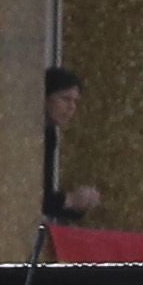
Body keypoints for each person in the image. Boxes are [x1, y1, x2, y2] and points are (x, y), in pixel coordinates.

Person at [42, 62, 100, 222]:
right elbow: (32, 197)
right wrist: (70, 200)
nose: (71, 107)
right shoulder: (31, 135)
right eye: (65, 99)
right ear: (45, 98)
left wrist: (77, 205)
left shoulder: (50, 133)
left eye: (75, 101)